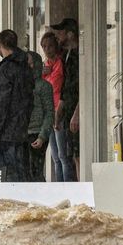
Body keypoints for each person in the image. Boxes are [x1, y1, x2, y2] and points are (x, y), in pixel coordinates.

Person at [0, 29, 34, 182]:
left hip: (6, 131)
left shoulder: (6, 69)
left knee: (8, 175)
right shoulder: (25, 67)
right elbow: (29, 97)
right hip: (21, 128)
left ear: (1, 46)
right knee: (21, 172)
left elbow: (1, 102)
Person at [41, 32, 73, 182]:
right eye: (45, 46)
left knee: (63, 155)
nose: (47, 49)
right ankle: (59, 187)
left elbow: (54, 86)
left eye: (50, 46)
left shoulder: (60, 63)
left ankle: (67, 187)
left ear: (56, 46)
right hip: (47, 113)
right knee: (55, 156)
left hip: (58, 111)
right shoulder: (45, 66)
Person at [52, 18, 80, 176]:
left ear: (70, 34)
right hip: (67, 109)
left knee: (76, 152)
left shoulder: (77, 57)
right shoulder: (66, 56)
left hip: (74, 109)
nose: (58, 37)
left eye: (60, 33)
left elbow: (78, 87)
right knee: (70, 152)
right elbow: (66, 87)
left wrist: (77, 113)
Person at [24, 51, 55, 182]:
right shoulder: (21, 85)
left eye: (30, 64)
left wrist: (42, 136)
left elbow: (49, 112)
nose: (27, 67)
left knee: (35, 171)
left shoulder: (44, 86)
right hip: (23, 133)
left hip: (37, 133)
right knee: (25, 172)